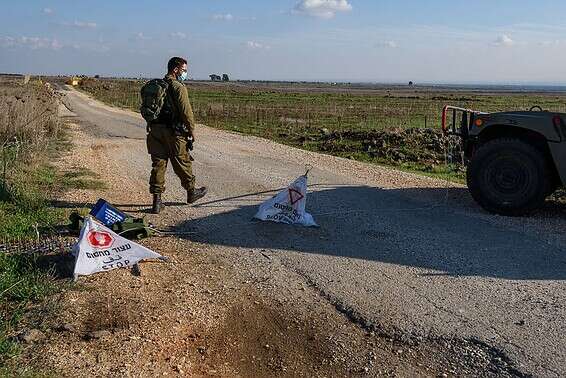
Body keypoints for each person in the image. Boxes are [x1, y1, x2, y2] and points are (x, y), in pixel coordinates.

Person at [146, 56, 207, 214]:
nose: (185, 73)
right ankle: (191, 192)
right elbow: (186, 111)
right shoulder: (178, 86)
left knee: (158, 164)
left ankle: (157, 202)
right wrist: (191, 130)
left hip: (155, 131)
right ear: (175, 69)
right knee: (182, 162)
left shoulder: (157, 85)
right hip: (173, 132)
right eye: (184, 70)